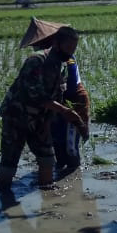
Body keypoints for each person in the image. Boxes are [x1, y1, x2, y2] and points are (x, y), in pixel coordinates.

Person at [0, 26, 87, 189]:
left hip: (39, 119)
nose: (70, 52)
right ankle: (4, 195)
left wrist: (47, 124)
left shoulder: (62, 65)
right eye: (68, 48)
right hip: (16, 116)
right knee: (10, 159)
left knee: (47, 158)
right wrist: (65, 111)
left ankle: (47, 195)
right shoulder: (36, 60)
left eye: (73, 49)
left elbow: (57, 96)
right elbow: (37, 95)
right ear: (56, 43)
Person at [24, 19, 90, 175]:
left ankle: (74, 174)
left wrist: (62, 106)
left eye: (39, 45)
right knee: (56, 139)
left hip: (73, 101)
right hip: (56, 105)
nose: (37, 48)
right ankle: (60, 169)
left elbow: (72, 85)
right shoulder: (44, 60)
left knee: (70, 143)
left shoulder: (67, 58)